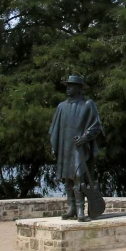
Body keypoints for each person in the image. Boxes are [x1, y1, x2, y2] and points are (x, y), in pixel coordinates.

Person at [49, 75, 104, 222]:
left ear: (79, 88)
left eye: (71, 86)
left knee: (79, 177)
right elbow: (55, 129)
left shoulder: (88, 104)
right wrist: (55, 147)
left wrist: (85, 137)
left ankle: (80, 211)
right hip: (65, 148)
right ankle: (71, 208)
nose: (68, 88)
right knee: (68, 179)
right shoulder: (61, 106)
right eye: (67, 85)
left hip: (80, 148)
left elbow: (96, 125)